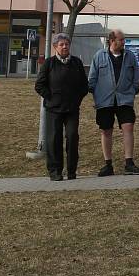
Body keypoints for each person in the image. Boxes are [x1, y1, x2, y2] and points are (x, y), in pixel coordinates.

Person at [34, 33, 88, 181]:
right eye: (61, 44)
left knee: (72, 137)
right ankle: (55, 171)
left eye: (67, 44)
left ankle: (71, 171)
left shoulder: (76, 63)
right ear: (55, 47)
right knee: (54, 140)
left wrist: (77, 99)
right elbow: (39, 85)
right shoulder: (49, 63)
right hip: (53, 109)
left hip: (72, 109)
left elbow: (84, 85)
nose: (65, 47)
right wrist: (51, 97)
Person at [88, 29, 139, 176]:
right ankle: (108, 165)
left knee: (128, 127)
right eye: (121, 39)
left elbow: (136, 75)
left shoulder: (130, 56)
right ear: (112, 41)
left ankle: (129, 163)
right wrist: (95, 96)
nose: (124, 42)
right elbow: (92, 78)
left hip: (124, 99)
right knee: (106, 130)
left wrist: (134, 89)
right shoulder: (100, 56)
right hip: (105, 101)